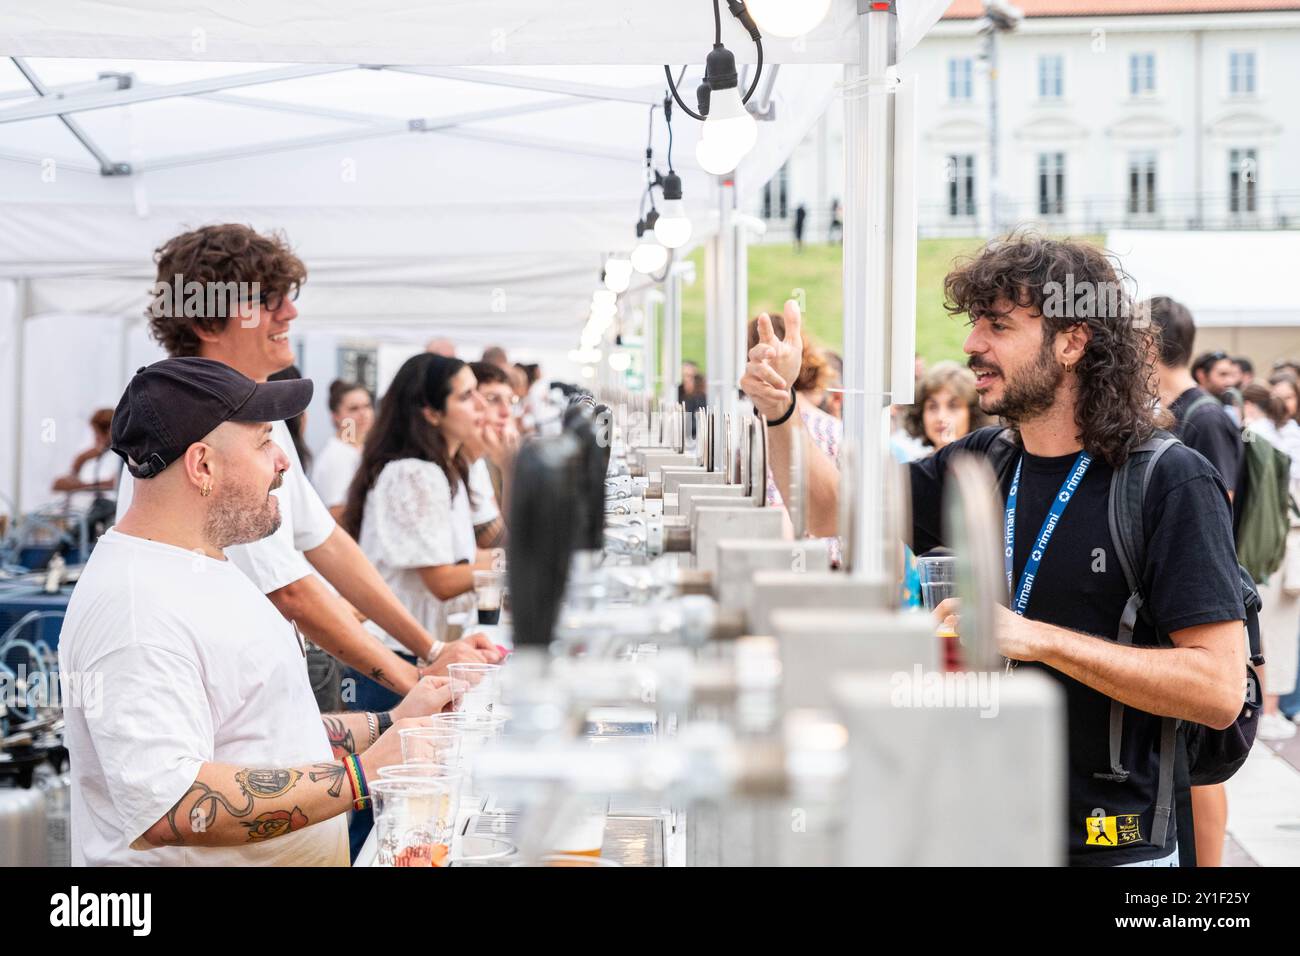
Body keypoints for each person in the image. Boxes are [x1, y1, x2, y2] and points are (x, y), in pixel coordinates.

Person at [743, 236, 1246, 867]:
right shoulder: (986, 460)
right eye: (974, 323)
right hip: (976, 827)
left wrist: (1036, 639)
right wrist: (782, 409)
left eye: (998, 326)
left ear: (1072, 341)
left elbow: (1219, 688)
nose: (972, 344)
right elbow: (830, 512)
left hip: (1107, 848)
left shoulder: (1169, 480)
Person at [60, 358, 459, 865]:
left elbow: (261, 731)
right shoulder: (135, 609)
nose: (284, 461)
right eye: (264, 442)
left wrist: (391, 722)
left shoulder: (207, 562)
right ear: (202, 465)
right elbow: (173, 805)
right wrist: (362, 775)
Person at [117, 224, 499, 701]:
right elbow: (290, 590)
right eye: (267, 300)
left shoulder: (257, 414)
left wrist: (431, 650)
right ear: (208, 322)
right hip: (218, 698)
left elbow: (327, 542)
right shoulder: (203, 426)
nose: (290, 311)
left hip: (263, 682)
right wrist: (414, 681)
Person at [342, 353, 502, 712]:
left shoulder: (446, 469)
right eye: (465, 396)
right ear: (431, 412)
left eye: (478, 392)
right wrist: (511, 566)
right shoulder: (413, 473)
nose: (481, 405)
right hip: (395, 658)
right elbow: (441, 580)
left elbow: (462, 558)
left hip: (419, 651)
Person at [1241, 382, 1300, 742]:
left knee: (1262, 633)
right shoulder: (1277, 438)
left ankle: (1264, 710)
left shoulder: (1253, 437)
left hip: (1264, 546)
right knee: (1275, 632)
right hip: (1280, 545)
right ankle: (1272, 711)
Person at [51, 408, 121, 540]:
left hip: (102, 518)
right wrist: (82, 459)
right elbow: (59, 484)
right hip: (83, 518)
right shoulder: (88, 457)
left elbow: (114, 483)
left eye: (97, 433)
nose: (96, 437)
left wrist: (78, 485)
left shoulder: (120, 457)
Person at [311, 379, 374, 520]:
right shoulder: (336, 457)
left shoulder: (362, 449)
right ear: (336, 416)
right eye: (354, 409)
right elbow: (337, 515)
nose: (363, 414)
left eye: (367, 406)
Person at [468, 360, 520, 521]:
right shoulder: (465, 463)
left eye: (511, 401)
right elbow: (506, 536)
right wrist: (509, 469)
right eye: (493, 399)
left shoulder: (479, 462)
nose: (506, 412)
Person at [902, 361, 990, 455]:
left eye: (953, 406)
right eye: (932, 407)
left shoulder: (992, 465)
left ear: (972, 413)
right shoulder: (912, 468)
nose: (941, 417)